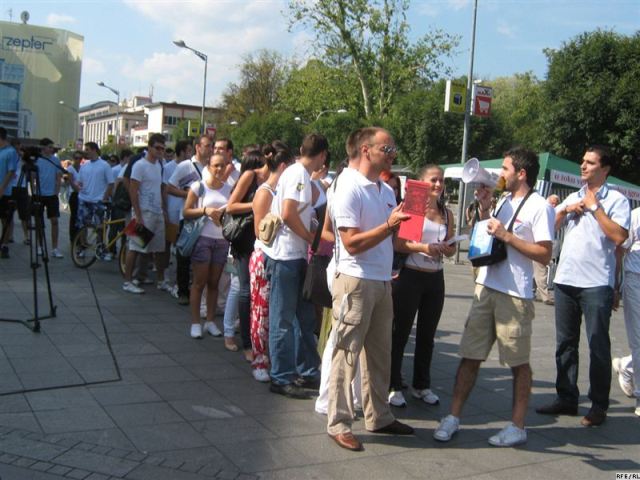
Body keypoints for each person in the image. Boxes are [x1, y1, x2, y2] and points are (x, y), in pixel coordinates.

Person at [434, 147, 554, 447]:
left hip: (515, 295)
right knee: (469, 356)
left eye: (505, 168)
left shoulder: (540, 206)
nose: (500, 173)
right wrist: (487, 210)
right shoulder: (504, 201)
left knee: (518, 363)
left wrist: (508, 236)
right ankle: (453, 417)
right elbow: (490, 235)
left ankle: (518, 425)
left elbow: (545, 253)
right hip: (487, 287)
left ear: (521, 173)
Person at [327, 127, 414, 452]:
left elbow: (393, 238)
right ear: (366, 150)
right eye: (387, 148)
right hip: (354, 279)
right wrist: (389, 226)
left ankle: (379, 415)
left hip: (381, 279)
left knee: (381, 354)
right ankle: (338, 422)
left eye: (392, 148)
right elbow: (350, 243)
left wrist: (426, 243)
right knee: (346, 353)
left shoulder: (384, 189)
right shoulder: (348, 185)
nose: (393, 153)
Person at [536, 145, 630, 427]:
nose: (583, 166)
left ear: (605, 169)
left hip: (596, 283)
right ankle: (566, 397)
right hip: (565, 280)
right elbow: (548, 228)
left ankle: (599, 405)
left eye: (590, 162)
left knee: (598, 345)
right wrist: (566, 210)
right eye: (582, 161)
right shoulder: (574, 196)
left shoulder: (617, 200)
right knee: (565, 344)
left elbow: (619, 237)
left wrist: (594, 208)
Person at [388, 164, 455, 407]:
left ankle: (421, 385)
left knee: (427, 335)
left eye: (441, 180)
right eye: (433, 180)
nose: (438, 184)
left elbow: (451, 246)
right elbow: (400, 243)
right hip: (410, 277)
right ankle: (393, 384)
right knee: (400, 333)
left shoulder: (447, 213)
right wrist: (424, 248)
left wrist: (448, 248)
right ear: (422, 182)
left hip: (435, 278)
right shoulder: (415, 207)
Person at [266, 134, 326, 399]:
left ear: (302, 149)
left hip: (295, 257)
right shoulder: (299, 173)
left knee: (304, 318)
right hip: (286, 256)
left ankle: (309, 370)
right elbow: (289, 213)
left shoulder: (297, 173)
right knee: (283, 320)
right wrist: (310, 238)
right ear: (323, 155)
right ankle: (281, 376)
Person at [249, 143, 294, 382]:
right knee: (260, 311)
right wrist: (283, 220)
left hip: (279, 256)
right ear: (285, 166)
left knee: (275, 311)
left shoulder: (283, 191)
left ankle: (273, 358)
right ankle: (259, 359)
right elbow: (259, 231)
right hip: (264, 256)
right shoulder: (265, 191)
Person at [224, 150, 268, 358]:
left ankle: (256, 337)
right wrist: (258, 204)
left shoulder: (275, 179)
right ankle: (246, 343)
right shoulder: (251, 175)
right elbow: (231, 206)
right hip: (244, 238)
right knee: (244, 290)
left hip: (262, 240)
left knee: (256, 292)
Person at [182, 153, 230, 339]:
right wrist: (205, 210)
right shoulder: (198, 186)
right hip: (202, 238)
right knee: (199, 282)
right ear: (208, 167)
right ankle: (195, 322)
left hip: (221, 240)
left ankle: (210, 321)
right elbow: (186, 211)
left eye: (223, 165)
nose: (219, 169)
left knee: (214, 282)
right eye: (216, 165)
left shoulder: (229, 189)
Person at [167, 135, 212, 305]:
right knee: (184, 254)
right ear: (198, 147)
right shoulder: (186, 166)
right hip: (187, 217)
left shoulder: (211, 166)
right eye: (207, 146)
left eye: (211, 146)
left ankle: (199, 291)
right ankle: (182, 290)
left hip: (205, 218)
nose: (210, 149)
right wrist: (189, 195)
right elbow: (170, 187)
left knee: (201, 256)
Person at [121, 134, 169, 294]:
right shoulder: (139, 165)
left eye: (163, 148)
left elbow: (160, 188)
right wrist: (138, 214)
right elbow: (133, 191)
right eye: (157, 148)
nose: (160, 151)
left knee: (159, 248)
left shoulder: (159, 165)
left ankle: (161, 280)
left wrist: (164, 209)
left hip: (156, 212)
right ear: (149, 147)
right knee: (134, 247)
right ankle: (127, 281)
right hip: (143, 211)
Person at [612, 206, 640, 417]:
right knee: (639, 339)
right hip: (636, 280)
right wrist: (615, 283)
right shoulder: (636, 216)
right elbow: (620, 248)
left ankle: (627, 366)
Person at [35, 138, 64, 258]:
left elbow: (59, 176)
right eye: (50, 147)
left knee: (55, 221)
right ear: (43, 148)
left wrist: (56, 192)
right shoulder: (37, 160)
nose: (52, 149)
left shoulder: (56, 160)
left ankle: (55, 248)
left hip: (52, 195)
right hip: (39, 194)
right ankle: (40, 246)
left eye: (52, 147)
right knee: (39, 222)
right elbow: (32, 177)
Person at [77, 142, 114, 234]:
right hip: (84, 200)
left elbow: (111, 183)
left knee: (100, 227)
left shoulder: (105, 165)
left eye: (87, 150)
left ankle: (99, 246)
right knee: (82, 225)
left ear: (94, 150)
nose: (85, 152)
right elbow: (79, 182)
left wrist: (105, 197)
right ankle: (82, 244)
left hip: (98, 200)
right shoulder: (84, 165)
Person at [533, 194, 560, 304]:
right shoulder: (544, 209)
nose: (553, 205)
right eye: (552, 202)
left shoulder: (549, 211)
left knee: (536, 271)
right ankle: (545, 297)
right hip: (539, 244)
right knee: (541, 270)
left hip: (539, 243)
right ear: (547, 199)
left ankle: (532, 291)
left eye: (555, 204)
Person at [0, 127, 19, 258]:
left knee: (4, 219)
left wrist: (2, 188)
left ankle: (4, 245)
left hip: (5, 192)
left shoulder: (11, 152)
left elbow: (11, 171)